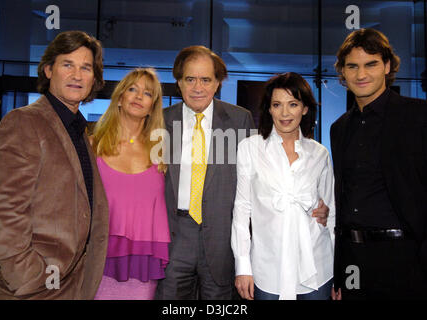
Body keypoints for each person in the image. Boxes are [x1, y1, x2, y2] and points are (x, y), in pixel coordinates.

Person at [156, 45, 331, 299]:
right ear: (178, 82)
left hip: (222, 241)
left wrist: (320, 206)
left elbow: (258, 183)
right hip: (173, 239)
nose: (197, 87)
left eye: (206, 79)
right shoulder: (159, 121)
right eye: (190, 79)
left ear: (217, 83)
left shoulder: (239, 120)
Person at [0, 30, 109, 299]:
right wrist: (28, 276)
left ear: (94, 78)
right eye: (68, 64)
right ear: (49, 70)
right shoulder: (24, 122)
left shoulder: (80, 131)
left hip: (74, 283)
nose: (77, 75)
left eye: (85, 67)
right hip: (32, 288)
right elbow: (7, 209)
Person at [330, 28, 427, 300]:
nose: (361, 75)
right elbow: (344, 198)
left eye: (370, 64)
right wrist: (340, 271)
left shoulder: (418, 116)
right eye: (353, 66)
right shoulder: (339, 129)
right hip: (353, 260)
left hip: (407, 259)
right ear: (343, 72)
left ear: (386, 66)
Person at [231, 72, 335, 300]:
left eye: (293, 104)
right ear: (269, 109)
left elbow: (331, 213)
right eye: (277, 104)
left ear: (305, 109)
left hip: (317, 265)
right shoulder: (250, 148)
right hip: (267, 267)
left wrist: (339, 270)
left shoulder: (320, 153)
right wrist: (243, 266)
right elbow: (241, 211)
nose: (285, 113)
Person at [91, 68, 170, 300]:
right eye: (132, 89)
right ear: (120, 97)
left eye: (147, 93)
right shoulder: (93, 145)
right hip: (100, 256)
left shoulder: (163, 150)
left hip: (143, 263)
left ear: (152, 106)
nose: (138, 96)